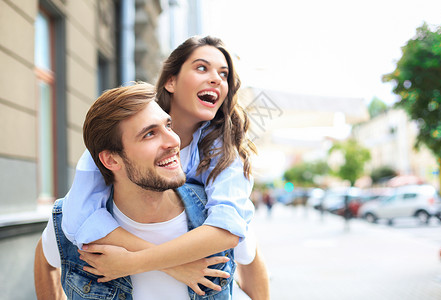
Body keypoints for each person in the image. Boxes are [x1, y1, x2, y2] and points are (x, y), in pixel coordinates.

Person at [59, 36, 269, 299]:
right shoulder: (118, 140)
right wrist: (176, 266)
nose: (216, 78)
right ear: (171, 81)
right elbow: (75, 219)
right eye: (202, 68)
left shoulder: (225, 154)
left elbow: (229, 231)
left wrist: (131, 262)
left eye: (224, 73)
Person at [35, 83, 241, 299]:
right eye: (150, 134)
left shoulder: (212, 211)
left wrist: (135, 262)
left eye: (168, 126)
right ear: (111, 160)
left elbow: (253, 264)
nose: (174, 141)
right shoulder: (69, 219)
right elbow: (44, 258)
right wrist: (174, 266)